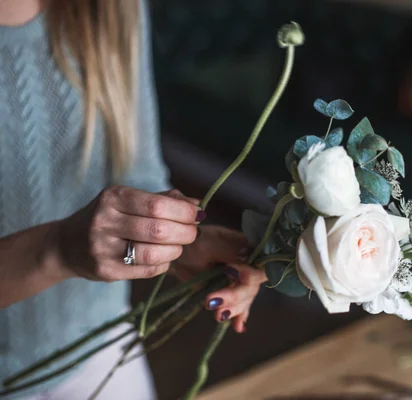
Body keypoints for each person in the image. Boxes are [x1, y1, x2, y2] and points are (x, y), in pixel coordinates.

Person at [0, 0, 266, 398]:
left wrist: (177, 243)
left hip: (104, 352)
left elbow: (137, 175)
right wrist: (58, 250)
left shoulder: (112, 8)